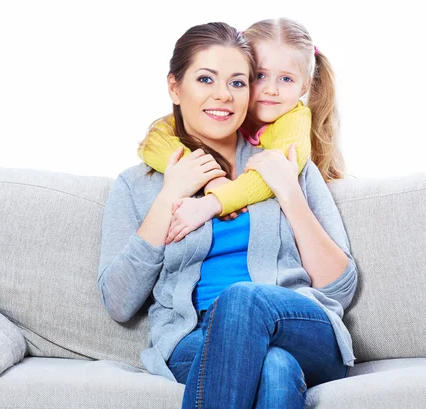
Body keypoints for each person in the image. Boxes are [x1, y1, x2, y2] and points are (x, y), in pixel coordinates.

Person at [98, 20, 357, 409]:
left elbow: (339, 288)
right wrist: (171, 193)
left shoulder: (287, 164)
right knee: (275, 368)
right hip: (192, 338)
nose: (223, 95)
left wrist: (288, 191)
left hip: (298, 321)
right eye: (205, 79)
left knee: (242, 300)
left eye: (237, 82)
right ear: (174, 86)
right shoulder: (139, 183)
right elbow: (118, 303)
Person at [137, 18, 343, 246]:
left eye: (286, 79)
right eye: (260, 76)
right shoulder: (224, 110)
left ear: (304, 86)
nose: (271, 90)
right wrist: (208, 177)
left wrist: (214, 202)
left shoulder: (293, 121)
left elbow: (273, 175)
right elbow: (154, 141)